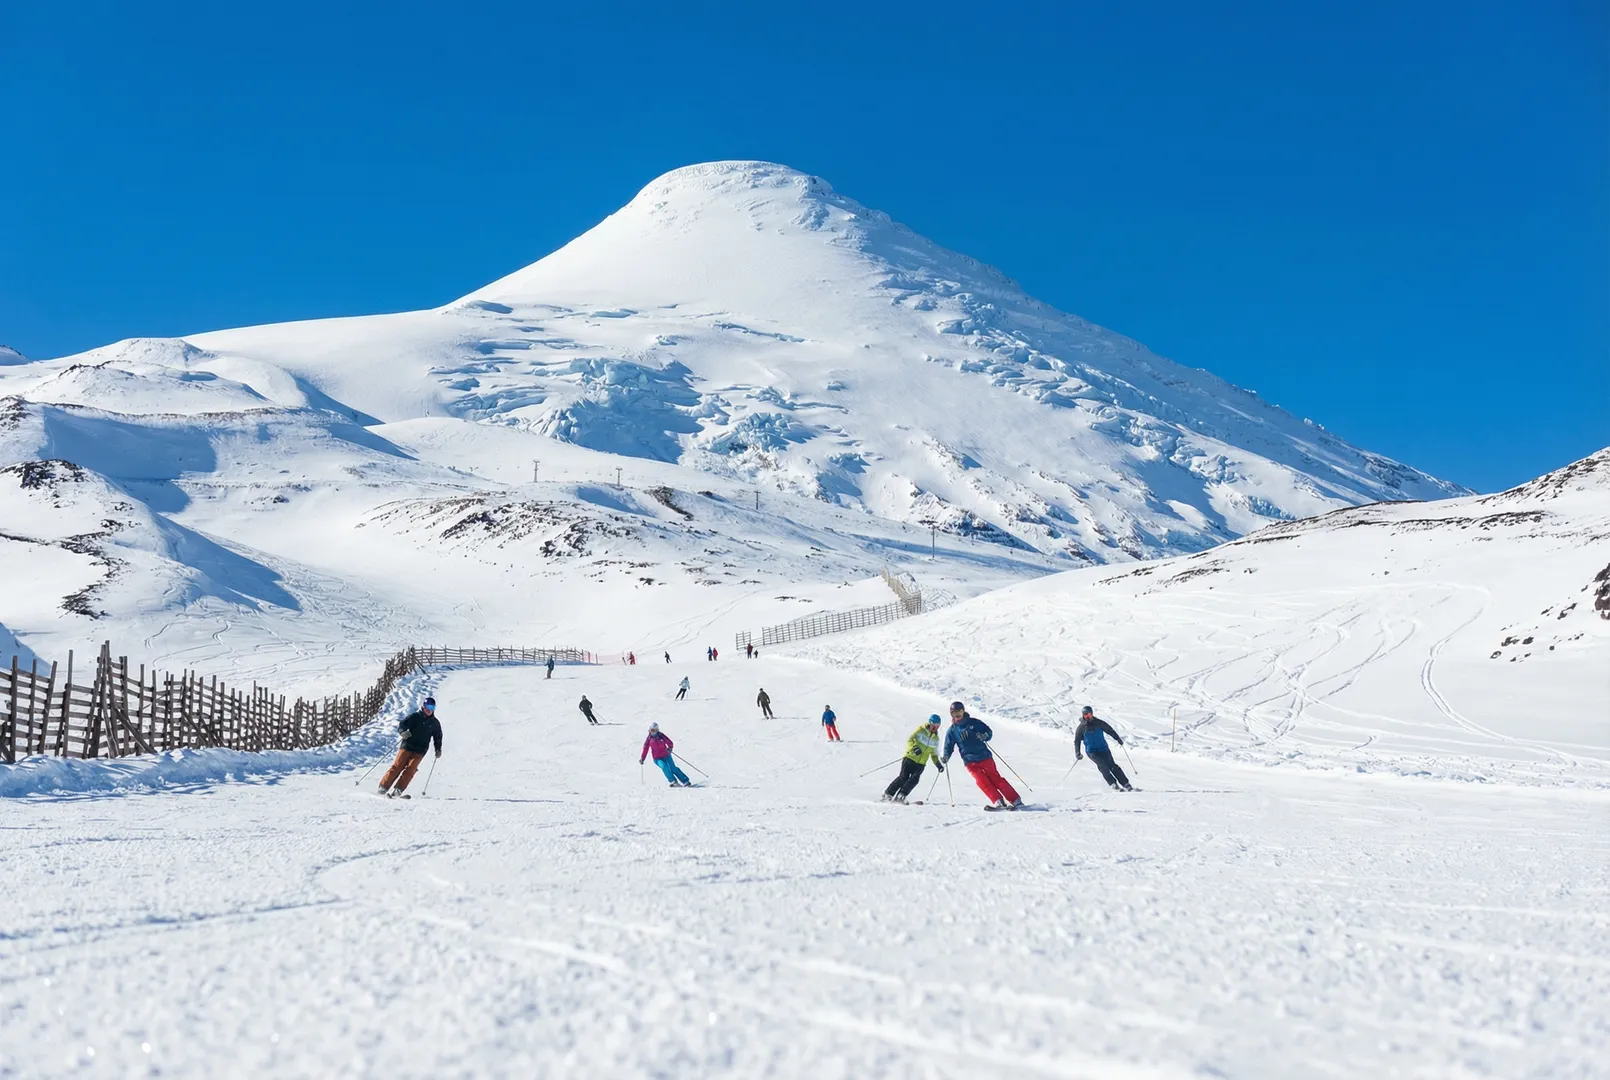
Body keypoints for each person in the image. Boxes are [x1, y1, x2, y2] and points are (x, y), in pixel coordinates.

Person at [942, 701, 1021, 809]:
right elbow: (948, 746)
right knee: (981, 781)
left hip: (984, 756)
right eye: (954, 713)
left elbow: (988, 732)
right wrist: (946, 755)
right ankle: (998, 800)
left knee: (995, 778)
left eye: (959, 711)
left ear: (963, 711)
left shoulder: (974, 723)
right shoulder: (952, 731)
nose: (957, 715)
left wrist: (984, 736)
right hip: (969, 761)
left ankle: (1015, 799)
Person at [378, 696, 442, 798]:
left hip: (420, 750)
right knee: (398, 766)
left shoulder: (435, 723)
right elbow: (402, 724)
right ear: (423, 706)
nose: (429, 710)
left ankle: (398, 789)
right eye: (428, 706)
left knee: (411, 769)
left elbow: (438, 737)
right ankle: (383, 787)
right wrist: (403, 732)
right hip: (407, 745)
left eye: (432, 707)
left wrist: (438, 749)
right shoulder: (415, 717)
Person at [883, 715, 944, 803]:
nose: (935, 727)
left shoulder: (936, 739)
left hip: (921, 763)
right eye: (933, 724)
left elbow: (934, 754)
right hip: (910, 758)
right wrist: (915, 748)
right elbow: (910, 740)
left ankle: (901, 796)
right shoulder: (921, 730)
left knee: (915, 780)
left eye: (937, 725)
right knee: (903, 777)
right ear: (930, 723)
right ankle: (888, 794)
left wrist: (938, 764)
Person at [1074, 706, 1132, 791]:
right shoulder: (1081, 727)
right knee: (1103, 766)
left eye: (1090, 714)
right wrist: (1077, 753)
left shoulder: (1099, 723)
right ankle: (1113, 784)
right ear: (1083, 715)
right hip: (1092, 752)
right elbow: (1077, 741)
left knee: (1112, 765)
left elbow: (1110, 730)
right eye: (1086, 715)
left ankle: (1125, 783)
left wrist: (1118, 738)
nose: (1088, 716)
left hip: (1103, 749)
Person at [640, 722, 692, 786]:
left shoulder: (661, 736)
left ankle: (685, 780)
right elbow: (645, 748)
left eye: (655, 730)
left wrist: (670, 747)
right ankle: (673, 781)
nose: (653, 732)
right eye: (651, 730)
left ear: (657, 730)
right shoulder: (649, 739)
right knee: (664, 767)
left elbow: (669, 742)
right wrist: (643, 758)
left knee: (672, 767)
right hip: (657, 758)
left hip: (666, 755)